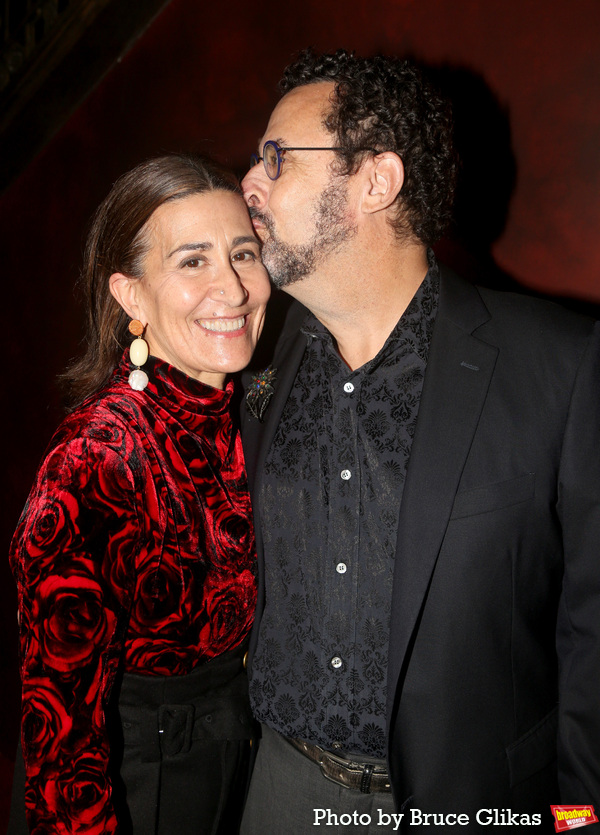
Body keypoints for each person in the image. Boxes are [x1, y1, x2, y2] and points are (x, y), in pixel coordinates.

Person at [238, 49, 600, 833]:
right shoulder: (250, 358)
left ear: (376, 181)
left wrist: (578, 822)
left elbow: (594, 638)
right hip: (279, 789)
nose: (250, 181)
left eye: (276, 157)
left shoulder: (561, 366)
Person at [9, 153, 270, 835]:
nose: (234, 288)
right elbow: (61, 736)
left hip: (237, 760)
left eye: (243, 252)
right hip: (139, 784)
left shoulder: (247, 409)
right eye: (192, 262)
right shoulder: (94, 460)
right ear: (129, 295)